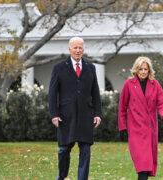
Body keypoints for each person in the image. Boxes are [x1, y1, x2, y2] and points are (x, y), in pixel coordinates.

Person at [49, 36, 102, 180]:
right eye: (75, 47)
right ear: (69, 49)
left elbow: (95, 92)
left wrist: (98, 113)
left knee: (85, 151)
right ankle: (62, 176)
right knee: (63, 150)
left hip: (86, 116)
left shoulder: (91, 68)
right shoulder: (59, 68)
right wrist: (54, 114)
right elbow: (53, 94)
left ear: (83, 49)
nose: (78, 50)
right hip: (66, 117)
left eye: (80, 48)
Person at [118, 56, 163, 180]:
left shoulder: (155, 84)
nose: (143, 72)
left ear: (149, 70)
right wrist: (122, 127)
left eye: (145, 69)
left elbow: (162, 102)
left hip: (150, 129)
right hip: (135, 129)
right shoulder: (129, 84)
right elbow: (122, 107)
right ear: (136, 70)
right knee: (142, 164)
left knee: (146, 166)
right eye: (140, 69)